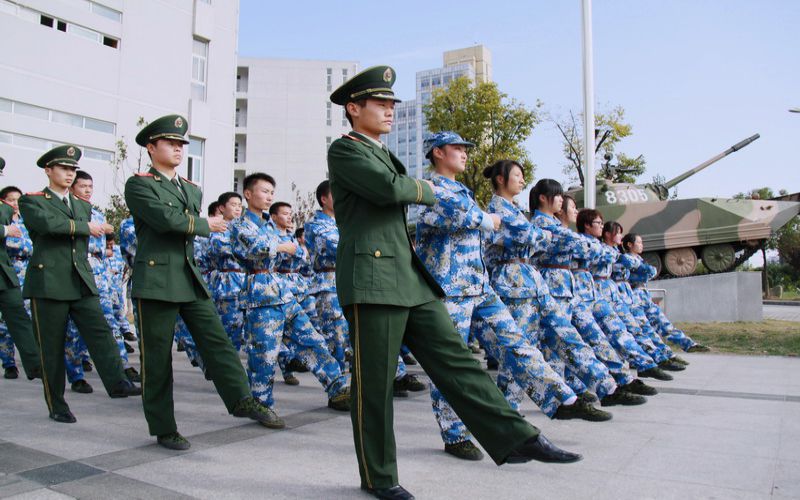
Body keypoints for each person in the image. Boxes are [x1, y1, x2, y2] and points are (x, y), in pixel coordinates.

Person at [328, 66, 580, 500]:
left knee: (458, 360)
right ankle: (379, 477)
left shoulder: (383, 153)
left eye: (392, 104)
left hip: (409, 277)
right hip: (371, 278)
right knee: (373, 387)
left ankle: (516, 435)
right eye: (381, 104)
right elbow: (391, 191)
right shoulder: (346, 150)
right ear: (354, 108)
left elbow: (398, 189)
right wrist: (427, 188)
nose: (390, 111)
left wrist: (417, 188)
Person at [124, 114, 279, 450]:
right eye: (171, 143)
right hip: (156, 278)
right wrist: (206, 224)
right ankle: (164, 426)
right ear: (151, 147)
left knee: (217, 341)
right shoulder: (139, 184)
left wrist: (199, 223)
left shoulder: (190, 188)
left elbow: (183, 223)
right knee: (157, 358)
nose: (179, 149)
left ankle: (241, 398)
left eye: (182, 144)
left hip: (189, 277)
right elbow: (165, 220)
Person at [20, 145, 141, 424]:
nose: (69, 174)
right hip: (49, 283)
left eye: (73, 169)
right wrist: (87, 228)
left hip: (80, 279)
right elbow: (49, 225)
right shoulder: (33, 201)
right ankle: (57, 403)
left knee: (101, 331)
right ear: (48, 170)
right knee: (51, 348)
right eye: (64, 168)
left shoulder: (82, 205)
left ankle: (117, 382)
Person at [230, 173, 351, 422]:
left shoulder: (270, 227)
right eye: (264, 191)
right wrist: (282, 248)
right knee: (264, 355)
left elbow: (299, 255)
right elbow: (255, 250)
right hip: (260, 295)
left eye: (271, 192)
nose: (268, 196)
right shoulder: (240, 225)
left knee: (313, 341)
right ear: (248, 194)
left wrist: (285, 249)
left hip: (284, 292)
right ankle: (262, 404)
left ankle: (337, 388)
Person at [552, 194, 657, 397]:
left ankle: (623, 377)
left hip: (580, 291)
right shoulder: (569, 236)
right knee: (569, 342)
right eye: (572, 207)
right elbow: (596, 253)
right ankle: (572, 388)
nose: (574, 210)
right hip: (571, 291)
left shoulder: (575, 237)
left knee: (598, 336)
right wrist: (618, 256)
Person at [576, 208, 673, 381]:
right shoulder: (585, 243)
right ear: (587, 225)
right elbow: (613, 260)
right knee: (607, 333)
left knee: (625, 329)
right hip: (594, 291)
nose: (600, 226)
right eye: (597, 223)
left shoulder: (602, 247)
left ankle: (649, 362)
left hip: (607, 291)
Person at [622, 233, 710, 353]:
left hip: (644, 295)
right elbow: (647, 272)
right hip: (634, 297)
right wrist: (647, 271)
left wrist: (647, 271)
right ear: (629, 244)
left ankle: (687, 344)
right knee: (645, 329)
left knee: (663, 322)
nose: (641, 245)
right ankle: (663, 354)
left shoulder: (639, 259)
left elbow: (650, 272)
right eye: (639, 242)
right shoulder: (627, 259)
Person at [0, 177, 41, 381]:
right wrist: (6, 232)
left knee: (23, 320)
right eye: (11, 200)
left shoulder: (21, 220)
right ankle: (8, 363)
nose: (14, 204)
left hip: (17, 275)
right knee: (7, 325)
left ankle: (34, 365)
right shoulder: (3, 216)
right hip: (8, 270)